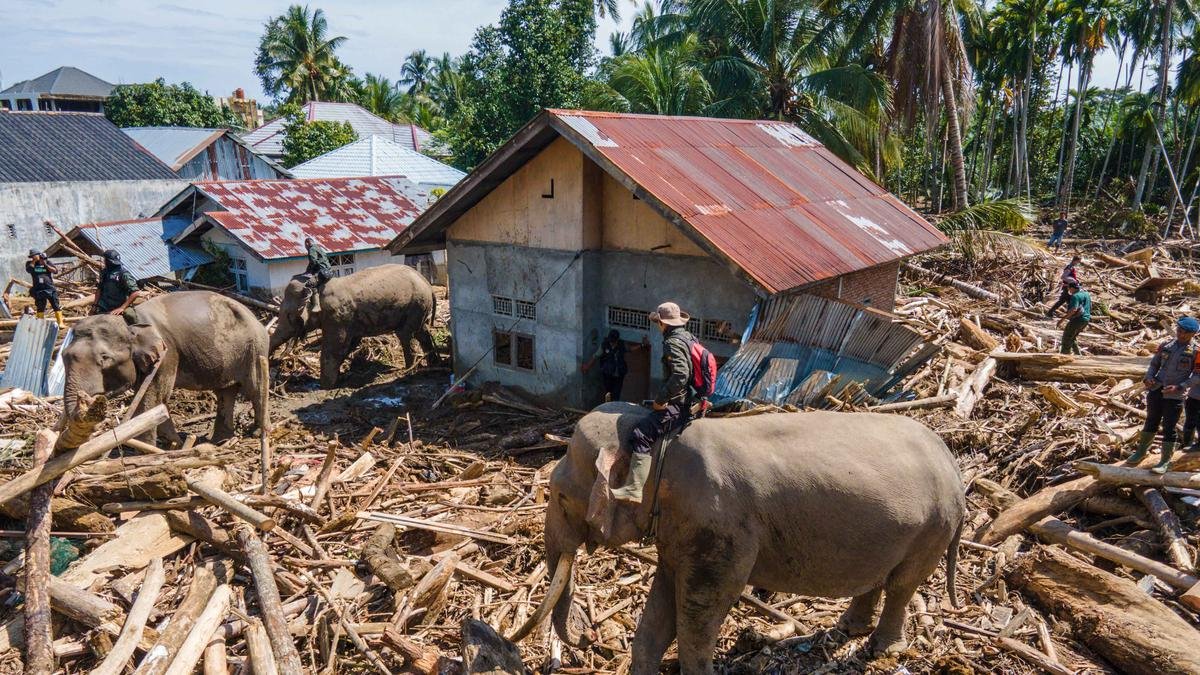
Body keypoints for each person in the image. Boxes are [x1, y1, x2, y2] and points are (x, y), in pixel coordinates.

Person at [612, 302, 703, 503]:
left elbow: (680, 375)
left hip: (679, 404)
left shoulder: (672, 342)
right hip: (692, 398)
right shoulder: (689, 338)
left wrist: (661, 400)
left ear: (663, 323)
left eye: (658, 323)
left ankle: (634, 489)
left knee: (641, 434)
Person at [1129, 316, 1200, 473]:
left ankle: (1165, 461)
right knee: (1151, 421)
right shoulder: (1166, 346)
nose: (1181, 335)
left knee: (1169, 427)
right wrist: (1148, 378)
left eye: (1185, 333)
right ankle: (1141, 451)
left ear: (1193, 334)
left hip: (1175, 396)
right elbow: (1154, 364)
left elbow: (1197, 376)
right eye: (1179, 331)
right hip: (1157, 389)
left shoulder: (1196, 351)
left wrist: (1180, 386)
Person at [581, 330, 649, 403]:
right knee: (608, 393)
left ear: (617, 340)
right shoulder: (604, 345)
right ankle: (609, 405)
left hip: (619, 375)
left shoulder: (621, 345)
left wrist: (642, 345)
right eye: (611, 341)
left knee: (616, 394)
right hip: (607, 374)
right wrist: (587, 366)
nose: (611, 343)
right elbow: (595, 356)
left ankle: (614, 405)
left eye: (613, 341)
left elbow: (630, 349)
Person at [93, 250, 141, 317]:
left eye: (105, 260)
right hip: (103, 307)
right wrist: (95, 305)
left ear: (108, 261)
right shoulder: (104, 272)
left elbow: (135, 292)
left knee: (132, 317)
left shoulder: (123, 274)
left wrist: (122, 308)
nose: (104, 261)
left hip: (119, 306)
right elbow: (99, 289)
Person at [26, 249, 65, 328]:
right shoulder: (30, 263)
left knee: (55, 305)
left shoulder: (47, 262)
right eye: (32, 256)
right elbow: (29, 270)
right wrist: (34, 261)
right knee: (40, 307)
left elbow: (55, 271)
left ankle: (60, 323)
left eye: (35, 255)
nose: (34, 257)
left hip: (49, 288)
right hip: (38, 289)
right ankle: (40, 325)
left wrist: (45, 264)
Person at [1056, 279, 1090, 355]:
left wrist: (1062, 319)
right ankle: (1078, 355)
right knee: (1072, 337)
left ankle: (1064, 356)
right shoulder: (1086, 294)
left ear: (1072, 288)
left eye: (1069, 288)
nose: (1068, 290)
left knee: (1066, 338)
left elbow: (1074, 309)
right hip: (1086, 319)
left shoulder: (1075, 296)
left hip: (1077, 320)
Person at [303, 237, 333, 313]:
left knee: (310, 284)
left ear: (307, 243)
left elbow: (313, 262)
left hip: (323, 272)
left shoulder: (312, 249)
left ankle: (317, 305)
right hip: (329, 271)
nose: (305, 247)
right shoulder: (319, 248)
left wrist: (308, 271)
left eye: (305, 245)